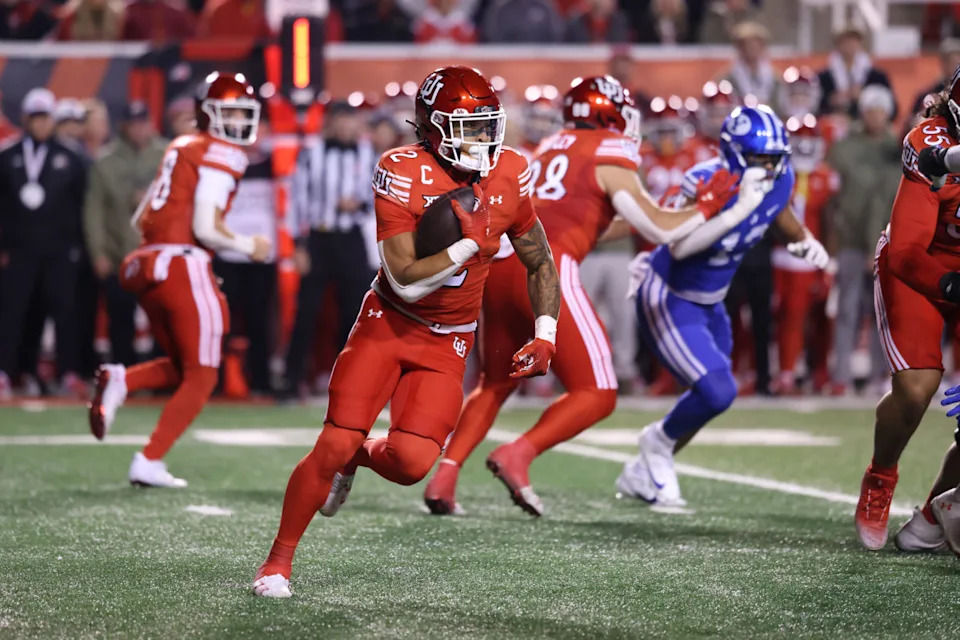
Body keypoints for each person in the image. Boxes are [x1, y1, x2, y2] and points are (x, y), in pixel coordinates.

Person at [252, 66, 561, 598]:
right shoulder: (401, 168)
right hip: (389, 323)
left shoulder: (509, 170)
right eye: (469, 128)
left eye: (489, 125)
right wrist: (465, 245)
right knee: (332, 442)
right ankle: (277, 563)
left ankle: (360, 455)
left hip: (450, 338)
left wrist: (546, 330)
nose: (483, 140)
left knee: (413, 464)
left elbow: (538, 258)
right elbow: (403, 278)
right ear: (433, 128)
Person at [422, 75, 740, 517]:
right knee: (598, 391)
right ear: (608, 113)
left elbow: (583, 217)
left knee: (494, 383)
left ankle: (445, 477)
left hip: (501, 266)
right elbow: (660, 230)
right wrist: (705, 207)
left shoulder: (551, 144)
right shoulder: (611, 151)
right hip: (547, 268)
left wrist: (658, 214)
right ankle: (519, 453)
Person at [617, 105, 830, 506]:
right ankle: (655, 443)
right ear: (734, 153)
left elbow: (778, 209)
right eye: (758, 159)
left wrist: (802, 238)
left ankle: (642, 472)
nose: (768, 168)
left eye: (774, 159)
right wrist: (739, 209)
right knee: (718, 390)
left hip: (711, 304)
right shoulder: (703, 181)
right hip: (669, 297)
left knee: (709, 397)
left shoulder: (777, 178)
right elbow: (678, 247)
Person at [87, 72, 271, 487]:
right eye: (231, 112)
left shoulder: (180, 145)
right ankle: (149, 460)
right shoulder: (220, 151)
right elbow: (206, 228)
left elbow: (142, 218)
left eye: (245, 113)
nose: (240, 122)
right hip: (182, 262)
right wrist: (249, 246)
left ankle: (121, 379)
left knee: (183, 367)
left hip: (148, 262)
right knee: (205, 374)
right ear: (208, 115)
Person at [854, 64, 960, 552]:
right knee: (917, 387)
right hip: (919, 267)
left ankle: (934, 517)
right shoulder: (929, 142)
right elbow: (905, 252)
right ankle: (880, 475)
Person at [278, 100, 378, 401]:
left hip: (351, 239)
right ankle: (292, 379)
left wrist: (359, 204)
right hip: (319, 240)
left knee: (357, 313)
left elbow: (382, 195)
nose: (347, 127)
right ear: (331, 123)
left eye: (352, 121)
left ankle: (350, 383)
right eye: (342, 120)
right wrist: (298, 245)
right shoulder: (311, 154)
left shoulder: (369, 154)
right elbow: (296, 200)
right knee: (306, 312)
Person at [0, 88, 89, 400]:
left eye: (45, 117)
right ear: (25, 119)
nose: (40, 124)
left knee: (65, 312)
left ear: (53, 120)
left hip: (59, 251)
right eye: (35, 117)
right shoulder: (7, 156)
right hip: (19, 250)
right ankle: (6, 374)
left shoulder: (72, 158)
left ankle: (68, 374)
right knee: (12, 313)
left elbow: (82, 206)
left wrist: (78, 246)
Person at [824, 85, 900, 396]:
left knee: (880, 313)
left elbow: (894, 201)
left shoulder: (897, 149)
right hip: (849, 239)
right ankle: (841, 376)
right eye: (871, 110)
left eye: (881, 111)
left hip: (886, 241)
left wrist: (880, 244)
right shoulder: (844, 148)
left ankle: (877, 377)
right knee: (847, 310)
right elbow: (831, 198)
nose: (875, 117)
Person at [84, 101, 167, 367]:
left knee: (165, 320)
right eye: (134, 124)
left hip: (161, 256)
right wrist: (99, 253)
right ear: (124, 126)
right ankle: (125, 378)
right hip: (121, 253)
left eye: (143, 122)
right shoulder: (106, 162)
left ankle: (162, 378)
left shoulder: (168, 154)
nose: (139, 129)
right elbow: (94, 211)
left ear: (151, 123)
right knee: (120, 321)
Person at [771, 115, 836, 394]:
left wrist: (829, 260)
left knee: (812, 317)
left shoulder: (826, 177)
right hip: (779, 256)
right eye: (800, 142)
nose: (806, 148)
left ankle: (806, 372)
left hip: (811, 259)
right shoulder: (778, 174)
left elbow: (833, 221)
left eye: (811, 142)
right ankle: (780, 370)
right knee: (777, 316)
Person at [817, 26, 896, 120]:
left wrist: (864, 97)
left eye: (854, 41)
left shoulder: (877, 76)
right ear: (837, 44)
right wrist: (831, 101)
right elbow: (816, 108)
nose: (850, 45)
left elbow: (893, 109)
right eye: (845, 41)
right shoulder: (824, 78)